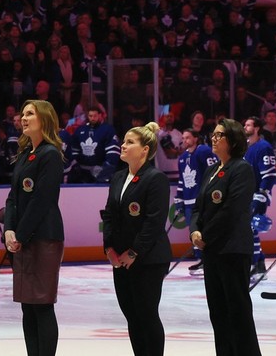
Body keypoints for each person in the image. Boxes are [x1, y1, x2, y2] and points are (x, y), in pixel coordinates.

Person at [189, 118, 262, 356]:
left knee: (237, 311)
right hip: (212, 251)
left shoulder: (241, 169)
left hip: (232, 249)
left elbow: (231, 210)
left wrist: (205, 235)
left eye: (219, 135)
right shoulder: (212, 170)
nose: (213, 138)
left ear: (232, 140)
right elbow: (199, 206)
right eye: (214, 134)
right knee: (218, 312)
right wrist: (194, 230)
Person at [102, 121, 171, 356]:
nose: (123, 145)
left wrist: (134, 252)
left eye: (129, 142)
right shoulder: (119, 177)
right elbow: (109, 215)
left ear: (145, 150)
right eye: (124, 141)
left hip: (148, 259)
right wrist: (108, 247)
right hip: (120, 259)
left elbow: (154, 222)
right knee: (131, 315)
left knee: (146, 314)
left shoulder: (155, 179)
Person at [4, 100, 65, 356]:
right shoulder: (27, 153)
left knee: (41, 304)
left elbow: (42, 200)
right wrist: (8, 229)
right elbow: (13, 197)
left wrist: (19, 234)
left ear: (45, 120)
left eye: (30, 113)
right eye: (23, 113)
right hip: (23, 238)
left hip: (43, 238)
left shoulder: (50, 154)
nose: (24, 118)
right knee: (27, 306)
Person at [174, 128, 217, 276]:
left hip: (202, 201)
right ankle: (202, 260)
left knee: (205, 231)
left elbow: (214, 171)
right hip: (188, 201)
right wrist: (179, 198)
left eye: (187, 137)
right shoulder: (182, 158)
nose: (184, 140)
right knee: (194, 232)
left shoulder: (204, 151)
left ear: (196, 138)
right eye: (183, 138)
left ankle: (209, 260)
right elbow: (182, 180)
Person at [244, 116, 276, 282]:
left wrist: (262, 194)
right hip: (247, 195)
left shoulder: (263, 147)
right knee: (250, 231)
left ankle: (253, 265)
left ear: (257, 128)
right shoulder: (247, 147)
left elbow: (270, 174)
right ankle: (260, 264)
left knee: (250, 230)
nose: (245, 127)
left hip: (257, 196)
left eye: (248, 125)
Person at [70, 104, 120, 183]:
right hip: (82, 173)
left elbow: (113, 154)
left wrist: (105, 170)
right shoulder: (80, 130)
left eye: (95, 116)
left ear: (100, 115)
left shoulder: (108, 130)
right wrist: (77, 167)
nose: (92, 118)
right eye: (90, 116)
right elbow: (74, 151)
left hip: (101, 170)